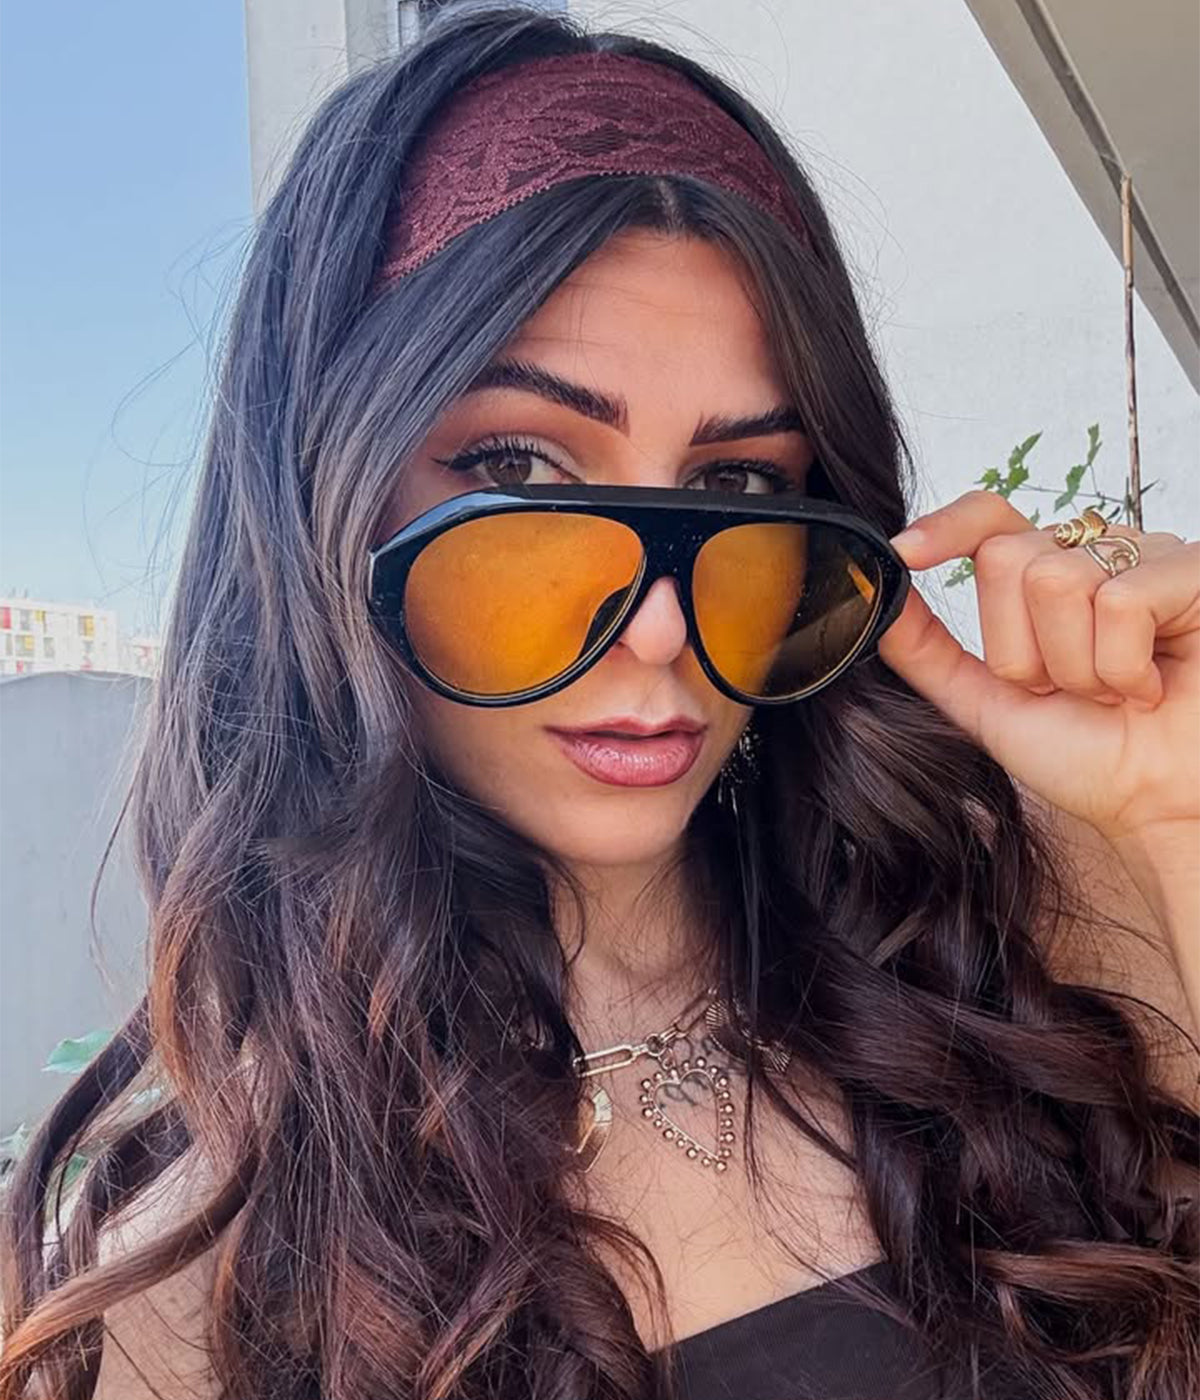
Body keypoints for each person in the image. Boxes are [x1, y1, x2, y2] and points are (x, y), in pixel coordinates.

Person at [2, 4, 1197, 1398]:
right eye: (521, 470)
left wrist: (1177, 827)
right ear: (319, 510)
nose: (661, 628)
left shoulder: (1030, 957)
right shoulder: (181, 1285)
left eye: (738, 485)